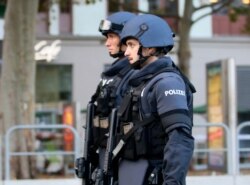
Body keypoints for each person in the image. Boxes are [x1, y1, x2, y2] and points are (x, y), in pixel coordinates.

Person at [114, 14, 196, 185]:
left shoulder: (167, 82)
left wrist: (172, 182)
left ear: (150, 48)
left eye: (131, 45)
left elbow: (180, 139)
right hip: (137, 174)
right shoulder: (144, 81)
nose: (126, 51)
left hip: (154, 175)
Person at [75, 11, 136, 184]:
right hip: (103, 153)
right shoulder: (113, 73)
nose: (107, 43)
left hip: (121, 157)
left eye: (111, 37)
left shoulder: (135, 73)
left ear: (126, 38)